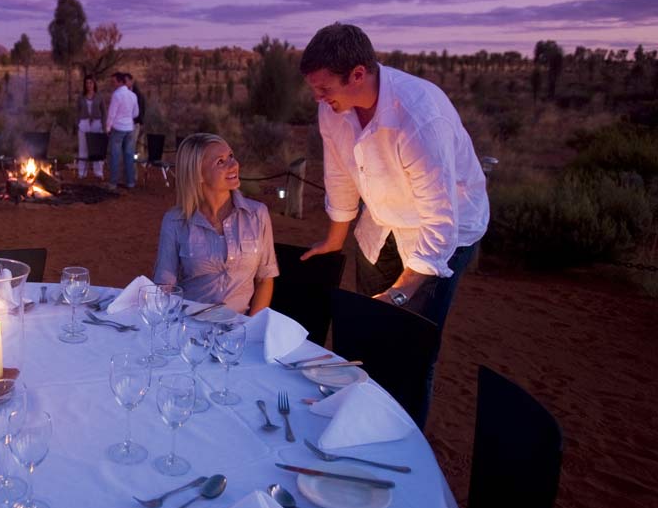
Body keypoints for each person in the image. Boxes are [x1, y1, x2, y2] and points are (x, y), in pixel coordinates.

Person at [299, 23, 488, 422]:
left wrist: (399, 294)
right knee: (369, 333)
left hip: (442, 234)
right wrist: (335, 240)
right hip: (382, 225)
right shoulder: (332, 110)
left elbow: (440, 219)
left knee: (409, 343)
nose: (318, 98)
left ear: (358, 74)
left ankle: (404, 433)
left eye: (324, 88)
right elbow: (339, 174)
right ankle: (364, 421)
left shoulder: (418, 116)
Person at [153, 133, 278, 315]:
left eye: (231, 156)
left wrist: (251, 328)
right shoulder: (175, 221)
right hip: (189, 325)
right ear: (198, 174)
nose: (233, 165)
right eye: (220, 162)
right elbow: (165, 286)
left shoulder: (257, 215)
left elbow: (265, 279)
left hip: (239, 328)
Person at [103, 71, 139, 189]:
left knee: (115, 155)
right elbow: (136, 113)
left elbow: (112, 113)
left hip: (118, 128)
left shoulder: (117, 95)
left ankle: (113, 182)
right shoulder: (133, 95)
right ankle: (130, 182)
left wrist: (108, 127)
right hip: (129, 128)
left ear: (120, 81)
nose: (112, 84)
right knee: (129, 155)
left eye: (114, 81)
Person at [74, 76, 106, 179]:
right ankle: (82, 172)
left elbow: (104, 112)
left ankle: (98, 172)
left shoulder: (99, 96)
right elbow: (77, 110)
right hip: (84, 123)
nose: (89, 85)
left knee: (96, 148)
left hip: (96, 123)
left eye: (91, 83)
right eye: (87, 83)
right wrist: (78, 122)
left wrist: (104, 124)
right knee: (83, 148)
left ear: (94, 84)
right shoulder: (81, 97)